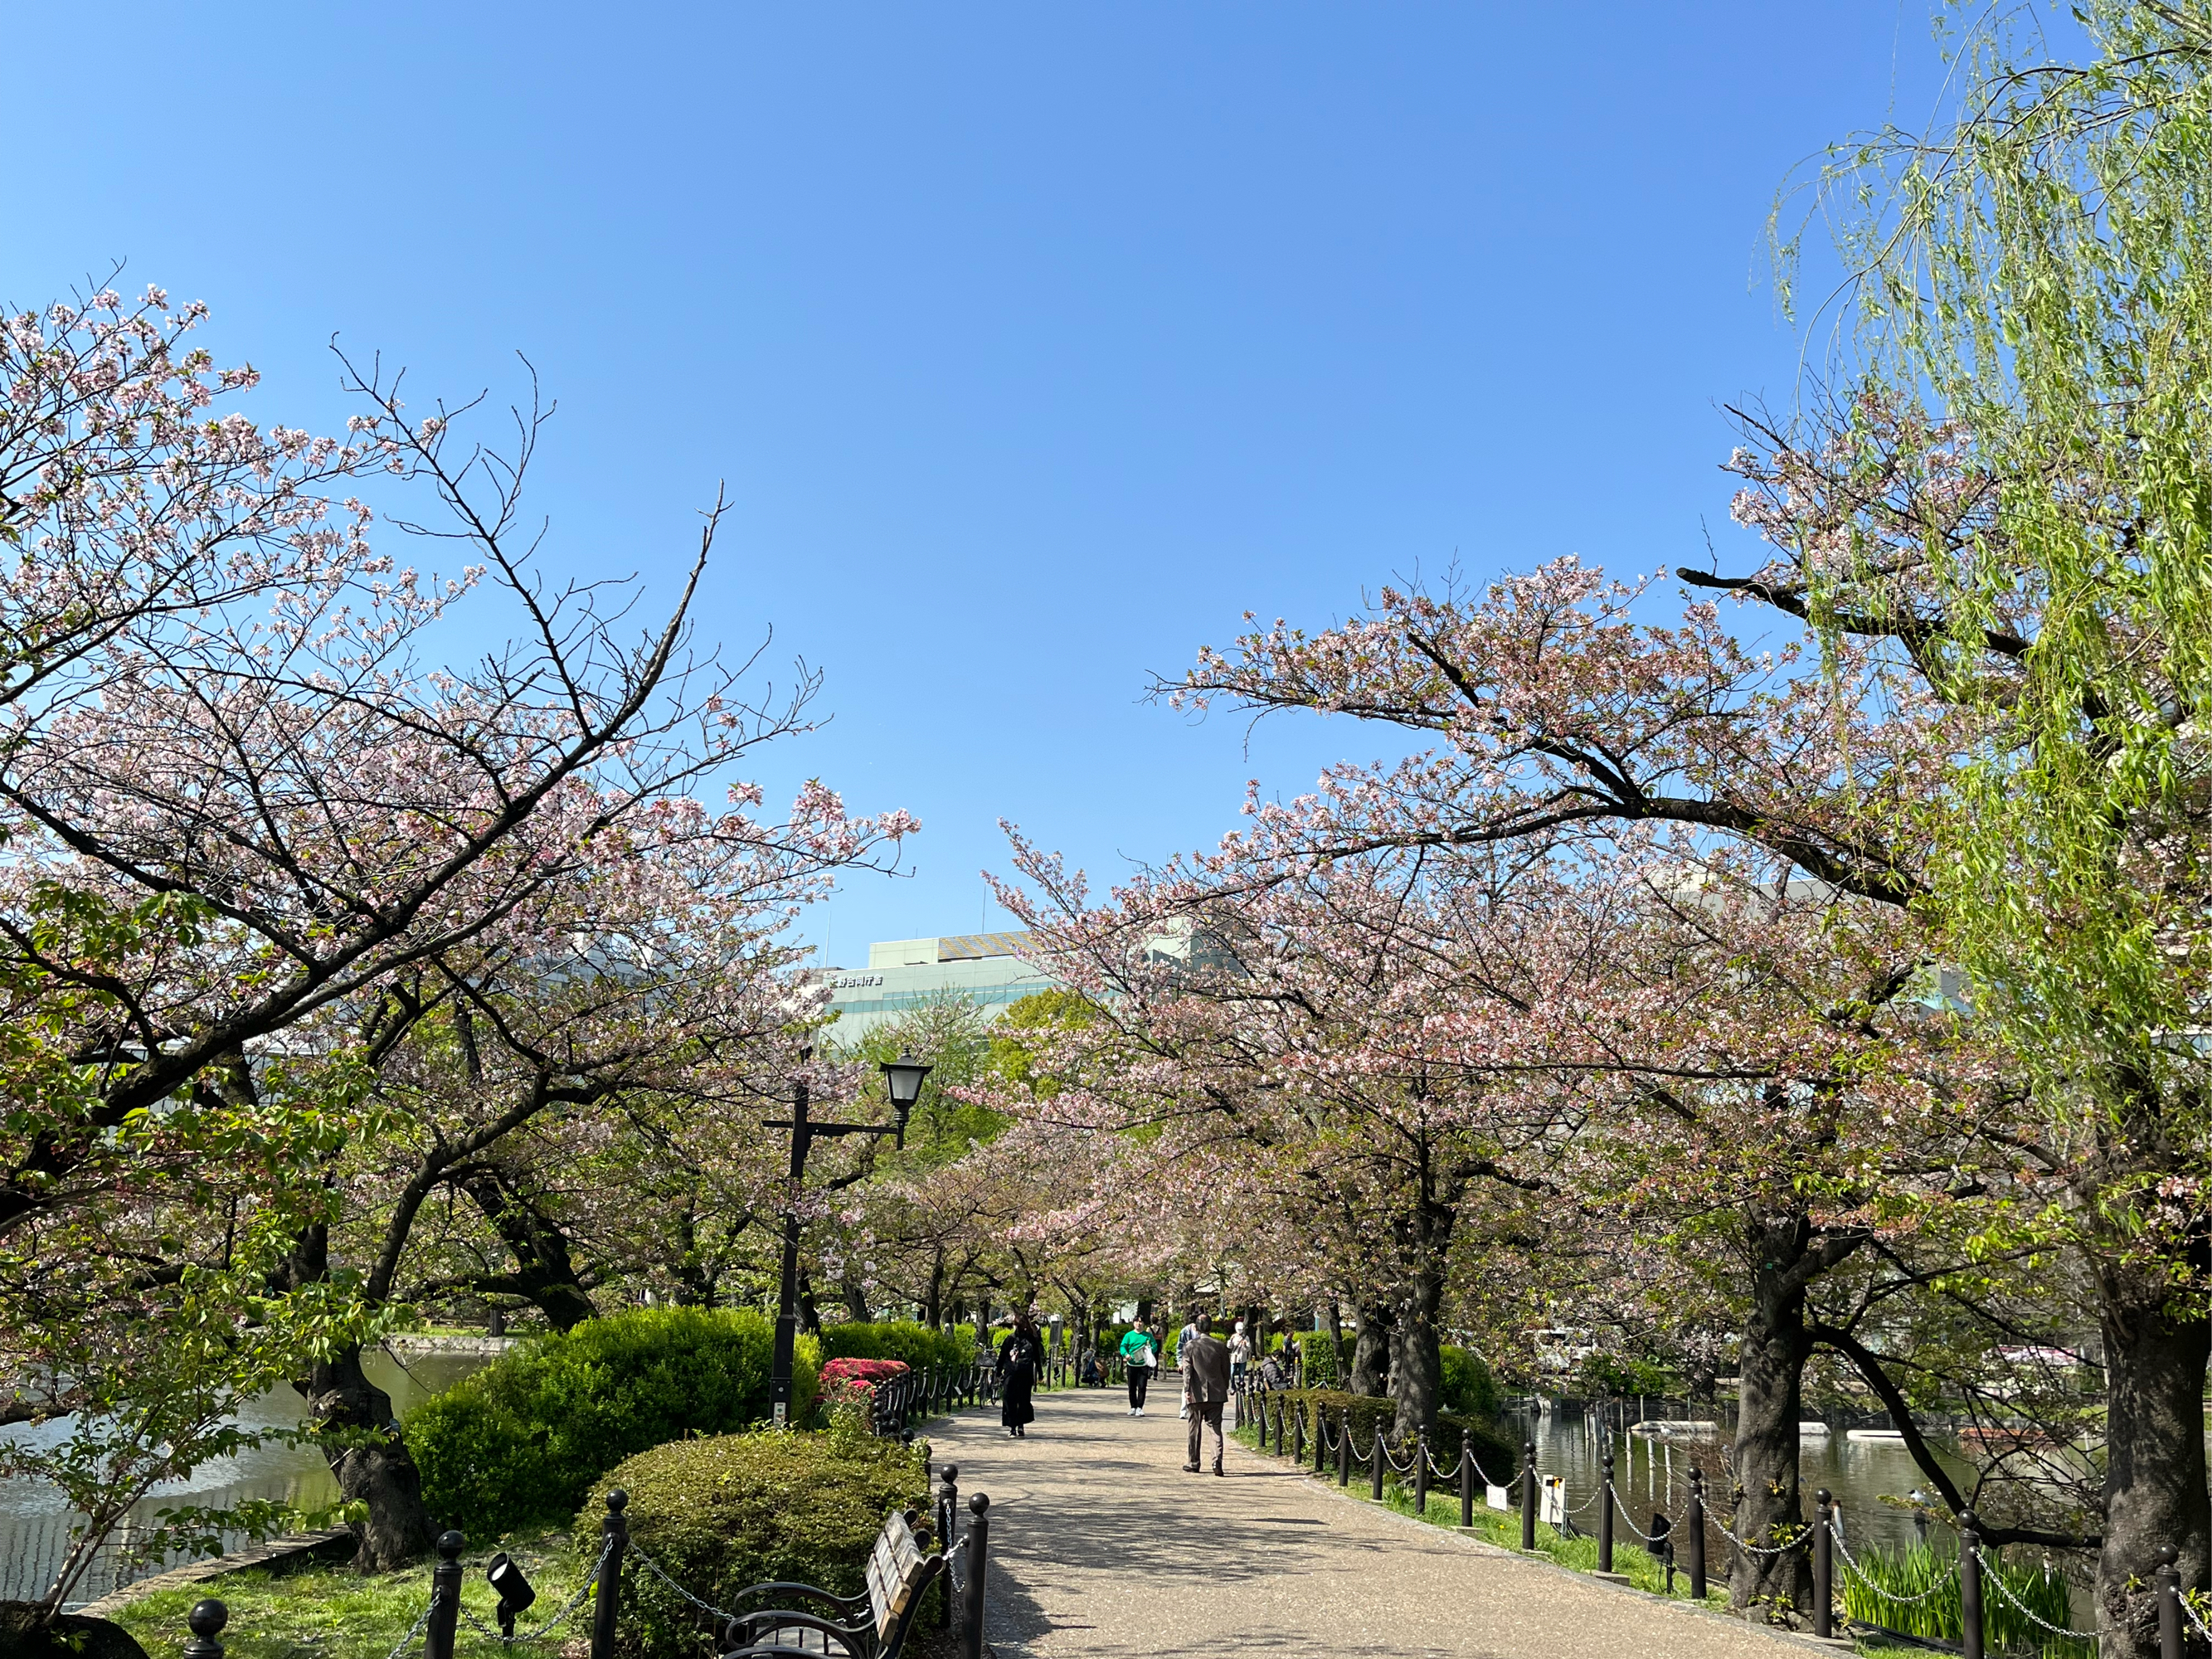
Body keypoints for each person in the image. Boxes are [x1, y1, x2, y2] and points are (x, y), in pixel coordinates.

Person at [1180, 1313, 1232, 1476]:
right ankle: (1217, 1461)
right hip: (1217, 1394)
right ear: (1211, 1327)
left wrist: (1187, 1390)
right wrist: (1225, 1387)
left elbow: (1187, 1371)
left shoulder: (1190, 1347)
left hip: (1196, 1393)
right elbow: (1226, 1371)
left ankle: (1194, 1462)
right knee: (1215, 1429)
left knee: (1194, 1428)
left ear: (1195, 1328)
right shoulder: (1220, 1346)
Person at [998, 1314, 1043, 1438]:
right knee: (1020, 1400)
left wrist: (998, 1372)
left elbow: (1002, 1357)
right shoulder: (1025, 1339)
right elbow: (1037, 1358)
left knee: (1013, 1401)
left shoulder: (1013, 1339)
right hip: (1021, 1374)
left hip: (1014, 1374)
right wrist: (1040, 1373)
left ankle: (1015, 1427)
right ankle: (1018, 1427)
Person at [1119, 1323, 1157, 1415]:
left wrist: (1149, 1349)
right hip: (1131, 1364)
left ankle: (1140, 1408)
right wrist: (1126, 1354)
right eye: (1136, 1321)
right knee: (1131, 1387)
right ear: (1134, 1323)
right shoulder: (1129, 1335)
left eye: (1140, 1322)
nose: (1138, 1324)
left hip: (1143, 1365)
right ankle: (1133, 1407)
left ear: (1144, 1323)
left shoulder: (1148, 1336)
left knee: (1142, 1387)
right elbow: (1123, 1346)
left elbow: (1155, 1346)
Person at [1177, 1311, 1202, 1418]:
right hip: (1188, 1362)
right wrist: (1180, 1363)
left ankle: (1199, 1411)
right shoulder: (1185, 1331)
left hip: (1200, 1363)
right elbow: (1179, 1348)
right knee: (1186, 1386)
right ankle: (1183, 1411)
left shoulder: (1203, 1331)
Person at [1229, 1319, 1252, 1386]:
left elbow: (1248, 1349)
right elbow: (1229, 1347)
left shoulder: (1246, 1337)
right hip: (1234, 1358)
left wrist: (1245, 1345)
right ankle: (1233, 1386)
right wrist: (1231, 1340)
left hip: (1242, 1358)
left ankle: (1241, 1386)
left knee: (1242, 1374)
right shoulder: (1234, 1336)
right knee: (1232, 1373)